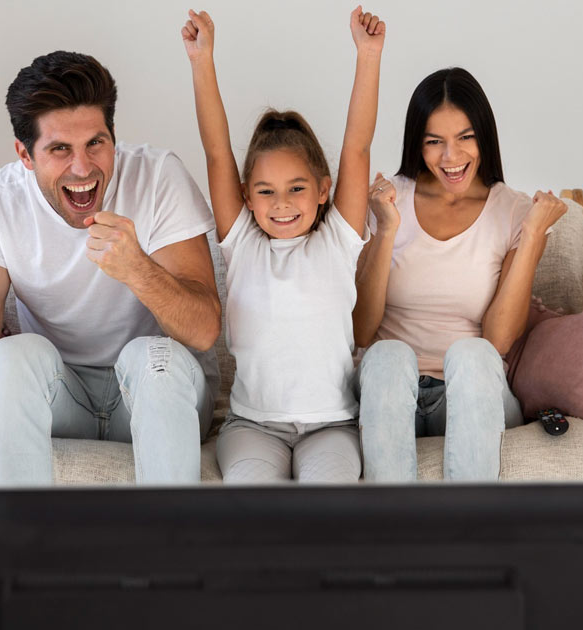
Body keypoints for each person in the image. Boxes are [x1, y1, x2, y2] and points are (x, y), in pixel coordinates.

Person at [0, 51, 221, 485]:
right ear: (25, 154)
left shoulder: (157, 177)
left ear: (114, 135)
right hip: (62, 398)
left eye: (96, 142)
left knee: (154, 356)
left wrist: (138, 270)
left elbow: (204, 329)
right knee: (9, 354)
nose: (83, 168)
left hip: (159, 394)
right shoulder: (0, 198)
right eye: (60, 149)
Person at [181, 7, 384, 483]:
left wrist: (369, 56)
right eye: (266, 191)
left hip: (332, 427)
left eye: (297, 188)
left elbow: (357, 146)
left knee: (324, 511)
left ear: (324, 189)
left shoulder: (339, 240)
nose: (282, 204)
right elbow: (216, 151)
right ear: (247, 198)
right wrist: (201, 61)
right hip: (253, 426)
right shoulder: (243, 244)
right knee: (257, 512)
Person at [354, 67, 567, 482]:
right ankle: (393, 530)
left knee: (471, 355)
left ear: (484, 136)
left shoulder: (514, 211)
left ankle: (467, 530)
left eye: (465, 138)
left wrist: (533, 234)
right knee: (385, 354)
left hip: (470, 396)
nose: (451, 159)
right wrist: (386, 229)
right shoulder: (387, 199)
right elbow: (361, 332)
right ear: (418, 143)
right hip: (389, 394)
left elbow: (499, 340)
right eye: (435, 142)